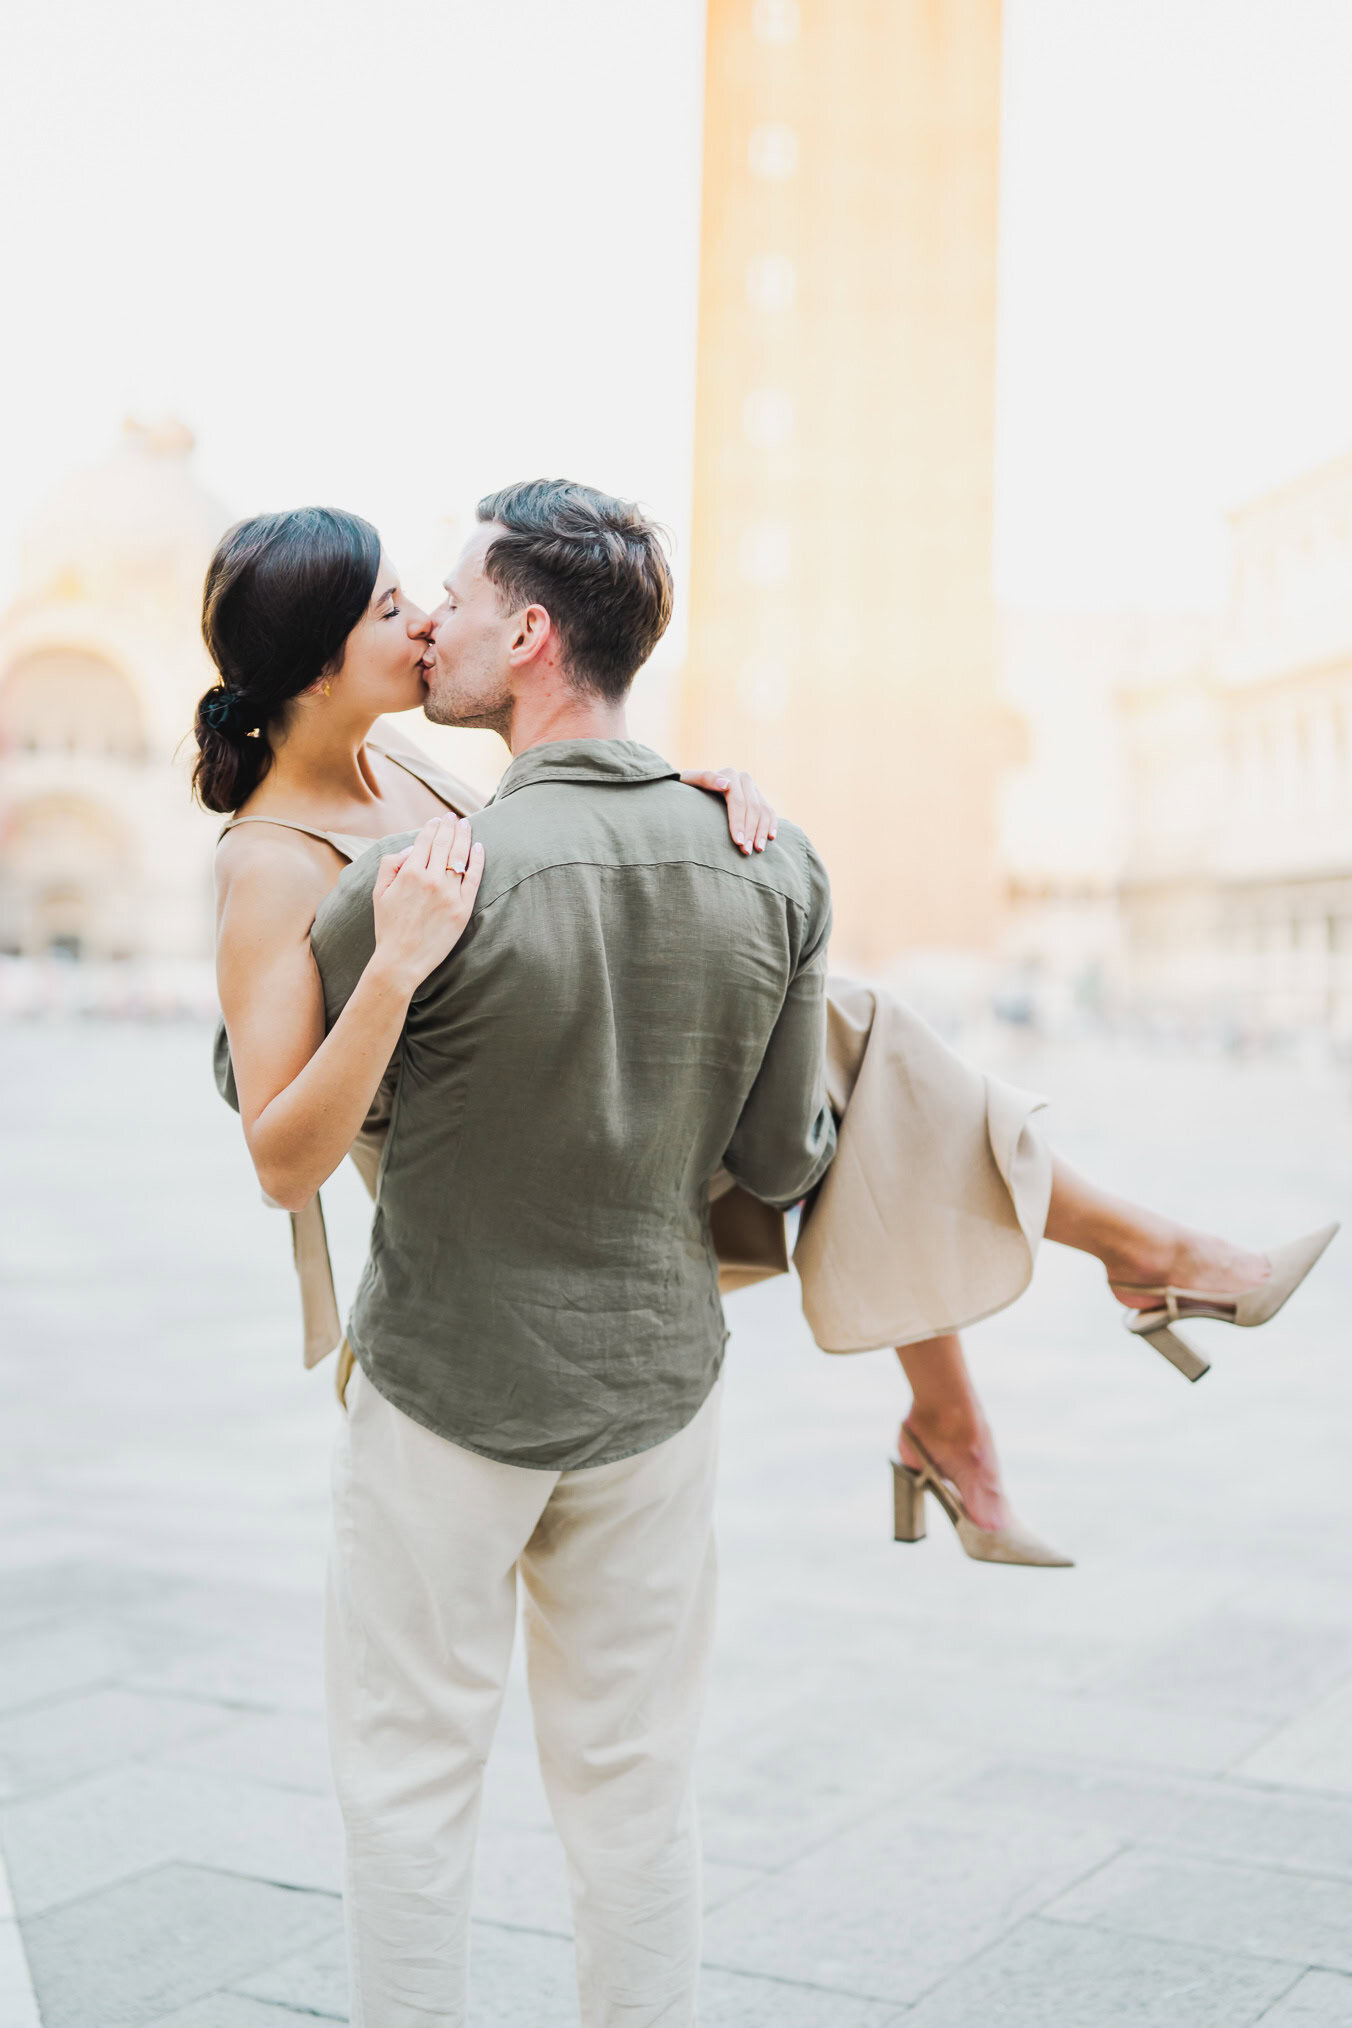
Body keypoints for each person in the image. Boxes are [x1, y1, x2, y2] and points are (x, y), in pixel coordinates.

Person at [206, 508, 1334, 1580]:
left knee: (838, 1026)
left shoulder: (402, 770)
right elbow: (281, 1156)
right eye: (394, 608)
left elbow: (548, 855)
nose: (425, 626)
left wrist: (683, 803)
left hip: (554, 1076)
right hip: (493, 1147)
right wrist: (395, 963)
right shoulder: (266, 858)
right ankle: (1106, 1290)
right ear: (317, 664)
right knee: (847, 1030)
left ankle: (981, 1398)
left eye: (427, 599)